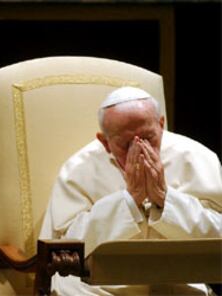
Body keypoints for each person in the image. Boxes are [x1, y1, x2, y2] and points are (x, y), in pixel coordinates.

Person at [39, 86, 222, 295]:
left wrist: (166, 200)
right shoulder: (78, 168)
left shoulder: (196, 158)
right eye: (126, 144)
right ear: (105, 142)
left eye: (148, 138)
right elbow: (65, 248)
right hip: (100, 285)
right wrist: (128, 201)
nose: (140, 150)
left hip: (179, 279)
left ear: (161, 125)